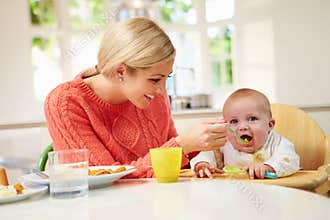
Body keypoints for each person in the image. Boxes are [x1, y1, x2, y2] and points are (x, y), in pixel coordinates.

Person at [44, 17, 227, 178]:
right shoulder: (65, 103)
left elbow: (173, 166)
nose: (162, 91)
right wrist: (182, 145)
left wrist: (198, 154)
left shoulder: (154, 96)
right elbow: (102, 178)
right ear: (121, 71)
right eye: (155, 79)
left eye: (166, 78)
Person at [190, 88, 300, 179]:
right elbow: (205, 154)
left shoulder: (277, 142)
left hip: (270, 192)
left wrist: (268, 167)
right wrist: (203, 165)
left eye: (252, 119)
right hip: (233, 193)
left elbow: (290, 160)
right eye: (234, 121)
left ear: (270, 125)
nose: (242, 127)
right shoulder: (224, 143)